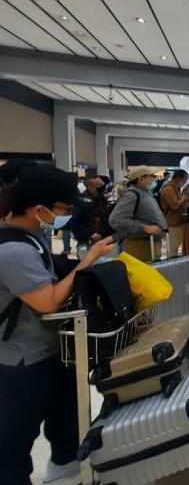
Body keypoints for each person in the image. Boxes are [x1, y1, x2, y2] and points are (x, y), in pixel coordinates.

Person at [0, 165, 116, 485]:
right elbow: (48, 300)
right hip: (22, 357)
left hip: (52, 346)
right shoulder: (12, 250)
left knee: (64, 416)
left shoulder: (31, 236)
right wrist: (88, 260)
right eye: (63, 210)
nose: (66, 216)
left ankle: (66, 466)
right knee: (16, 435)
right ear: (39, 209)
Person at [109, 166, 168, 262]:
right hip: (140, 246)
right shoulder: (132, 195)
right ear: (141, 179)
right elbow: (115, 220)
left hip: (150, 244)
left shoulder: (145, 193)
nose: (154, 178)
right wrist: (146, 228)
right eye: (152, 176)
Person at [159, 169, 189, 258]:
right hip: (172, 224)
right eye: (185, 180)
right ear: (178, 178)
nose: (184, 183)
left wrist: (187, 199)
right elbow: (175, 205)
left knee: (175, 247)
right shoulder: (169, 189)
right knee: (173, 248)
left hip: (178, 222)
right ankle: (172, 268)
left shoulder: (175, 189)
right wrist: (185, 197)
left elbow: (179, 203)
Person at [70, 175, 108, 256]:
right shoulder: (83, 200)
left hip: (99, 235)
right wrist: (89, 234)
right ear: (90, 187)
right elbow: (75, 222)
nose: (102, 187)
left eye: (102, 184)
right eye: (99, 185)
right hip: (87, 237)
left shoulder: (100, 198)